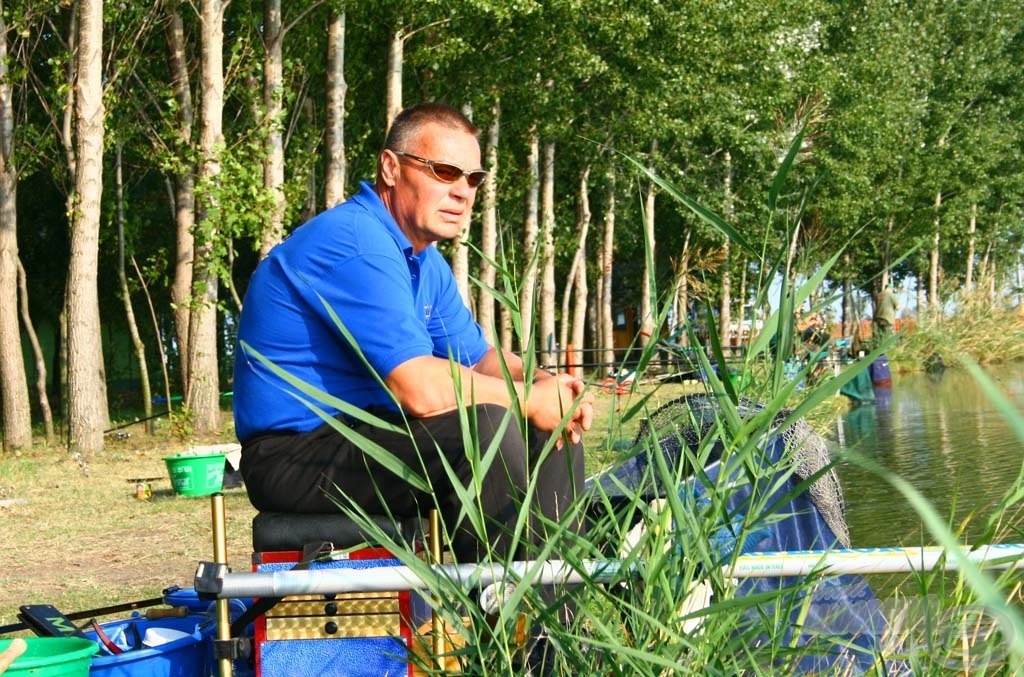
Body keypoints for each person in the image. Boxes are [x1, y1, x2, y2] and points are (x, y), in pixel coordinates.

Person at [233, 102, 593, 565]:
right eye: (445, 172)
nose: (463, 192)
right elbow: (419, 389)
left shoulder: (422, 260)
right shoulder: (358, 242)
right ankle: (502, 621)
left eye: (473, 179)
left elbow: (480, 359)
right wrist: (526, 399)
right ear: (390, 167)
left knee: (549, 430)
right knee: (483, 428)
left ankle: (553, 622)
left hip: (367, 435)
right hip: (294, 455)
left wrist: (547, 386)